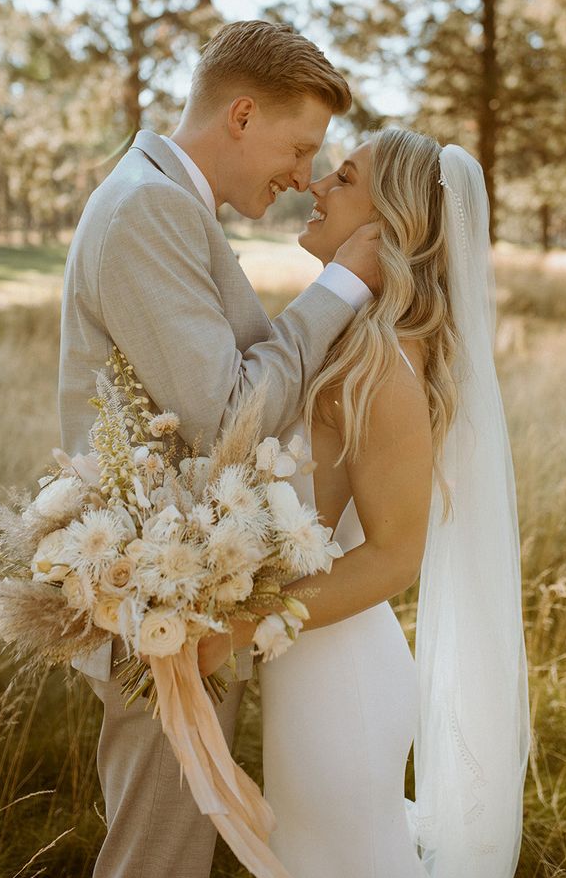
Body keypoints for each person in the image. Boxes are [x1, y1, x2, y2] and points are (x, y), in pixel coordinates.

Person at [57, 20, 381, 878]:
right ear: (242, 114)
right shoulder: (148, 207)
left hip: (190, 586)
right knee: (155, 856)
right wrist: (343, 284)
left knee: (174, 845)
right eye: (301, 145)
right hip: (164, 600)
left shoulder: (163, 198)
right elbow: (227, 411)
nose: (304, 175)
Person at [200, 127, 530, 878]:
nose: (316, 185)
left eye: (342, 178)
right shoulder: (351, 341)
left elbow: (393, 555)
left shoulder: (381, 364)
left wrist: (244, 619)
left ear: (390, 227)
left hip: (339, 681)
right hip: (313, 663)